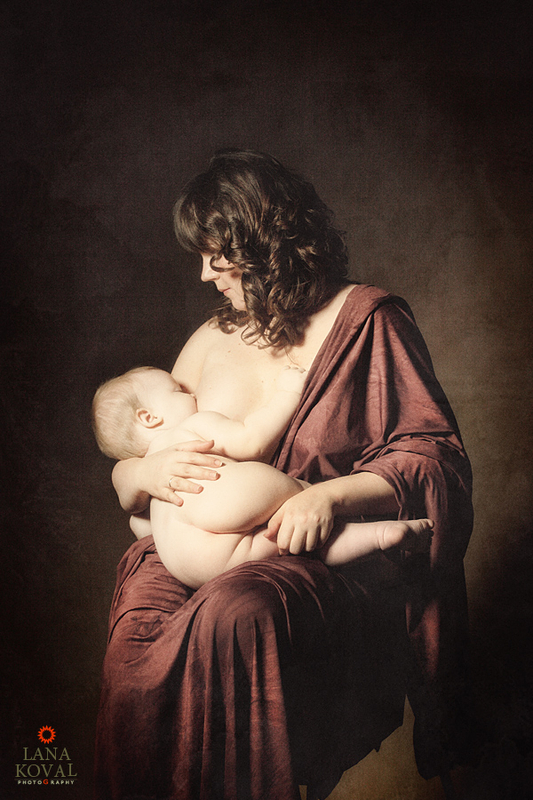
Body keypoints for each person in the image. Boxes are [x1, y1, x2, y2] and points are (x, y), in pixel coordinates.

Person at [94, 150, 473, 800]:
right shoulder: (210, 336)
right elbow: (138, 451)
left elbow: (434, 456)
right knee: (133, 650)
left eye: (216, 255)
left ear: (263, 241)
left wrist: (330, 498)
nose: (205, 274)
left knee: (237, 616)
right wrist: (141, 472)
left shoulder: (367, 321)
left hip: (313, 551)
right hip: (195, 547)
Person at [92, 365, 433, 588]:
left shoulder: (152, 482)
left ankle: (381, 536)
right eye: (178, 392)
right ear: (149, 417)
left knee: (295, 544)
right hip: (223, 497)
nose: (192, 393)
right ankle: (359, 515)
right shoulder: (188, 429)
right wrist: (289, 392)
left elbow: (141, 528)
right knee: (303, 505)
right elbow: (251, 440)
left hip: (196, 564)